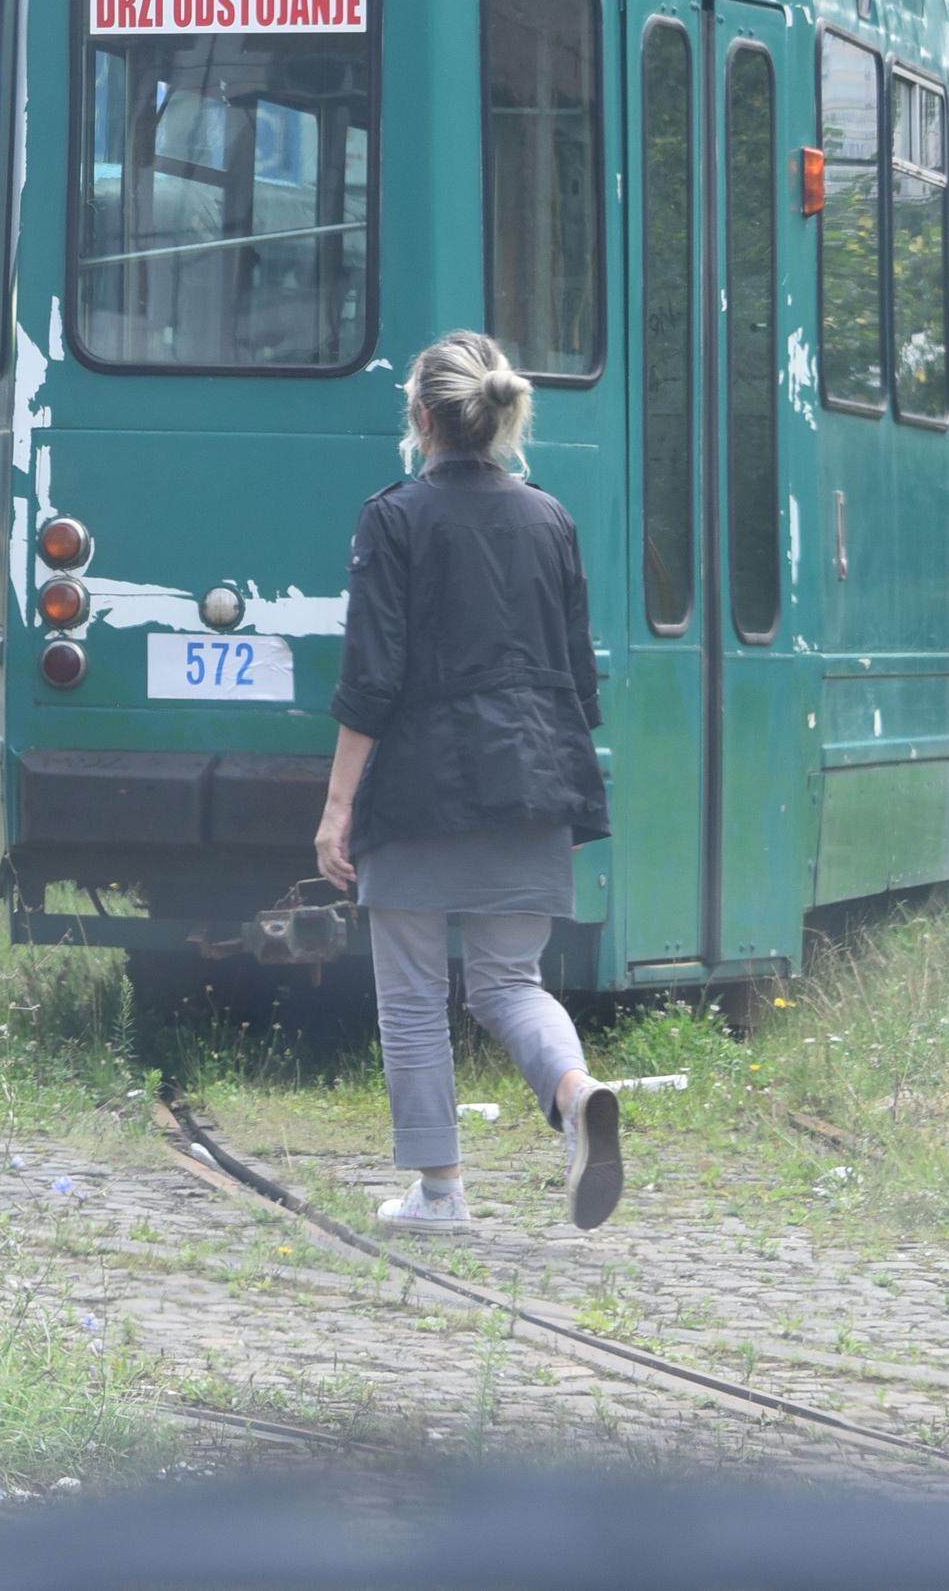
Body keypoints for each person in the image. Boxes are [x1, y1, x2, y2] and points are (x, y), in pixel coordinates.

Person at [314, 330, 624, 1230]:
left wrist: (337, 811)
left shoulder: (394, 516)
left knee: (413, 997)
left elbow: (371, 678)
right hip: (535, 775)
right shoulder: (550, 517)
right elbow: (578, 673)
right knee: (508, 983)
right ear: (498, 414)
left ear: (422, 416)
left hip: (420, 788)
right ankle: (576, 1092)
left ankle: (441, 1194)